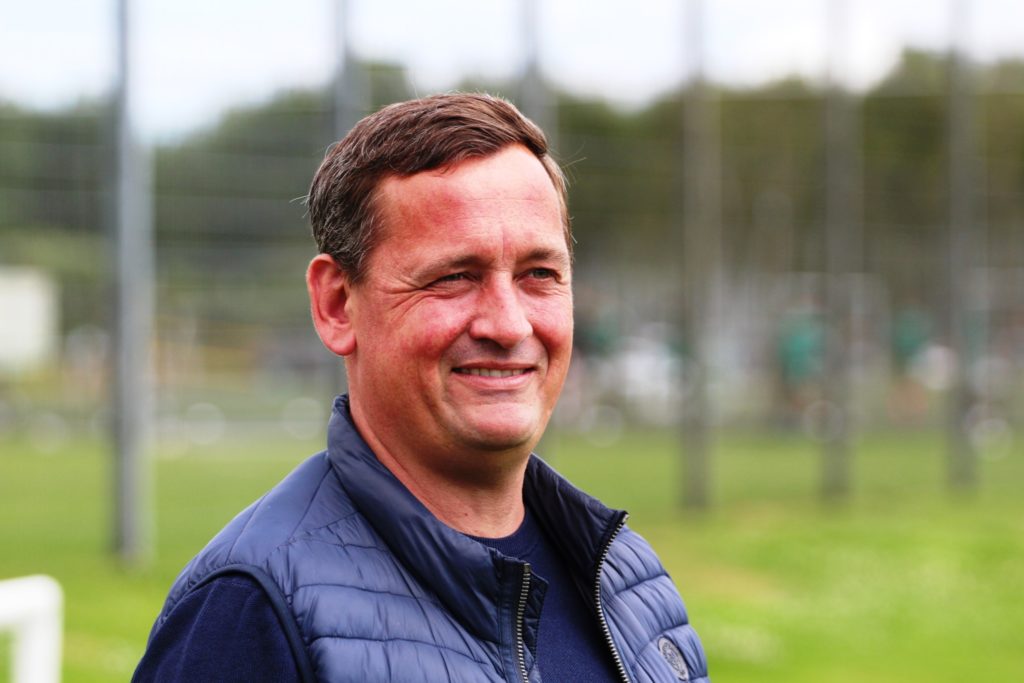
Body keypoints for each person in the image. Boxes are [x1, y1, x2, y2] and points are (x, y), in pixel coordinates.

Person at [133, 93, 709, 683]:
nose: (509, 325)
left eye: (539, 274)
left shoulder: (629, 581)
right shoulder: (253, 612)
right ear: (337, 305)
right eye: (454, 277)